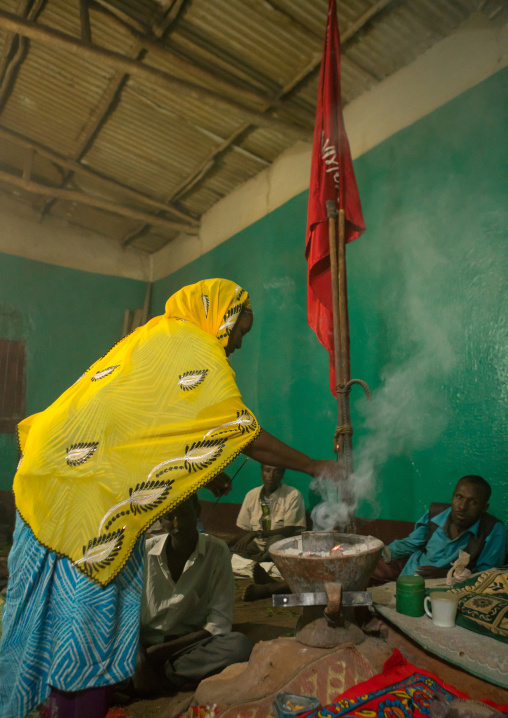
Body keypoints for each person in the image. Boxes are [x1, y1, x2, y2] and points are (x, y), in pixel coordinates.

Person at [0, 278, 339, 718]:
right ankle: (76, 705)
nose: (237, 342)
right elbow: (243, 432)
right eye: (240, 329)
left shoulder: (156, 336)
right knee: (86, 629)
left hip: (47, 478)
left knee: (44, 618)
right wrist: (315, 465)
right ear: (221, 315)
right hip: (85, 503)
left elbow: (143, 434)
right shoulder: (196, 347)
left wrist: (204, 475)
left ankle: (55, 703)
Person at [134, 495, 251, 695]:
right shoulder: (143, 552)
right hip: (143, 648)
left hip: (186, 648)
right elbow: (123, 613)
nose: (177, 524)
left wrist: (161, 652)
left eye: (185, 514)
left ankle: (149, 679)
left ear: (197, 510)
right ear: (161, 519)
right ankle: (164, 678)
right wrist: (137, 653)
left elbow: (218, 624)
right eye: (170, 517)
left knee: (238, 646)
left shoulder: (217, 551)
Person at [371, 475, 507, 584]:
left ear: (484, 507)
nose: (462, 507)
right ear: (453, 496)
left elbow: (488, 574)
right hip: (412, 571)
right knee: (366, 571)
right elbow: (412, 543)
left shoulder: (493, 529)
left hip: (449, 585)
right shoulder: (436, 514)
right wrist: (379, 551)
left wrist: (446, 575)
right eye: (459, 497)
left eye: (473, 502)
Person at [231, 464, 306, 562]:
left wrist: (257, 533)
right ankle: (260, 559)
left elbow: (289, 530)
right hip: (258, 543)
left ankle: (260, 560)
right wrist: (226, 543)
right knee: (234, 550)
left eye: (277, 471)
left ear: (282, 474)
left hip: (282, 542)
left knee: (277, 542)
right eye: (267, 470)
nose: (271, 475)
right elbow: (246, 531)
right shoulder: (252, 495)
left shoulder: (293, 495)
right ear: (261, 473)